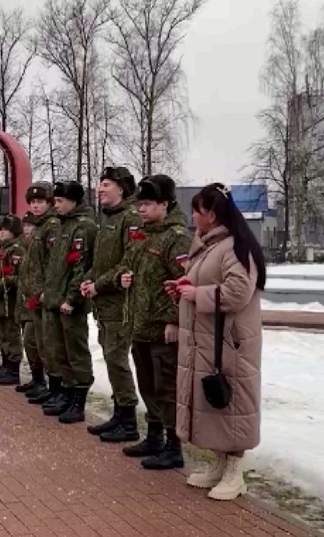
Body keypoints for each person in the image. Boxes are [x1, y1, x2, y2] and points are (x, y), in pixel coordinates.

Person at [174, 182, 266, 501]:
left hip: (231, 343)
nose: (192, 217)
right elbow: (210, 282)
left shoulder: (234, 248)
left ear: (211, 215)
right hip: (212, 340)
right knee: (217, 403)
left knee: (234, 403)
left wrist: (196, 293)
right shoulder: (211, 245)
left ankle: (235, 471)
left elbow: (238, 293)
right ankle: (219, 463)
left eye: (196, 211)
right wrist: (186, 285)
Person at [116, 175, 191, 470]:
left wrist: (175, 320)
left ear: (165, 204)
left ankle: (174, 446)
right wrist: (123, 277)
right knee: (147, 385)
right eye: (139, 205)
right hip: (141, 325)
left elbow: (186, 283)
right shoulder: (142, 235)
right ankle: (154, 436)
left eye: (147, 204)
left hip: (163, 330)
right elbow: (129, 265)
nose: (141, 210)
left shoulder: (176, 238)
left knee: (167, 389)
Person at [80, 167, 142, 442]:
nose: (100, 188)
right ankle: (119, 415)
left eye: (106, 184)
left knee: (117, 361)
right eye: (100, 184)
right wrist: (88, 279)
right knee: (111, 359)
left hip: (120, 304)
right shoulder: (106, 220)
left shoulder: (130, 218)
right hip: (104, 305)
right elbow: (98, 260)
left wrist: (99, 284)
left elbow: (128, 262)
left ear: (122, 189)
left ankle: (128, 421)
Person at [42, 181, 97, 423]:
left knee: (76, 353)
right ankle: (66, 394)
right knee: (60, 351)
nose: (56, 205)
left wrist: (71, 298)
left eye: (60, 201)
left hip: (70, 304)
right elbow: (56, 266)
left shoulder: (83, 227)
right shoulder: (64, 225)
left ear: (73, 202)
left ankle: (79, 400)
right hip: (56, 301)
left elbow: (81, 266)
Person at [22, 182, 60, 404]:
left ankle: (54, 388)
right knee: (34, 341)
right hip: (34, 295)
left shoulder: (52, 226)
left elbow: (53, 264)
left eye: (40, 202)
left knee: (48, 345)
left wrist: (46, 290)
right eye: (33, 202)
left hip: (45, 295)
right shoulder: (39, 227)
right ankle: (40, 382)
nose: (36, 206)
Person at [0, 215, 27, 386]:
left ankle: (13, 368)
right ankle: (5, 363)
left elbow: (15, 277)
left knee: (11, 334)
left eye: (4, 230)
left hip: (9, 300)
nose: (0, 233)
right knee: (2, 333)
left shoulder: (16, 249)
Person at [14, 212, 44, 395]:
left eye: (30, 226)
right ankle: (36, 378)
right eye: (24, 226)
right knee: (29, 343)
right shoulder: (24, 247)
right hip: (24, 301)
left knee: (33, 342)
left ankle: (41, 381)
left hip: (35, 301)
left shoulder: (36, 247)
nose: (26, 229)